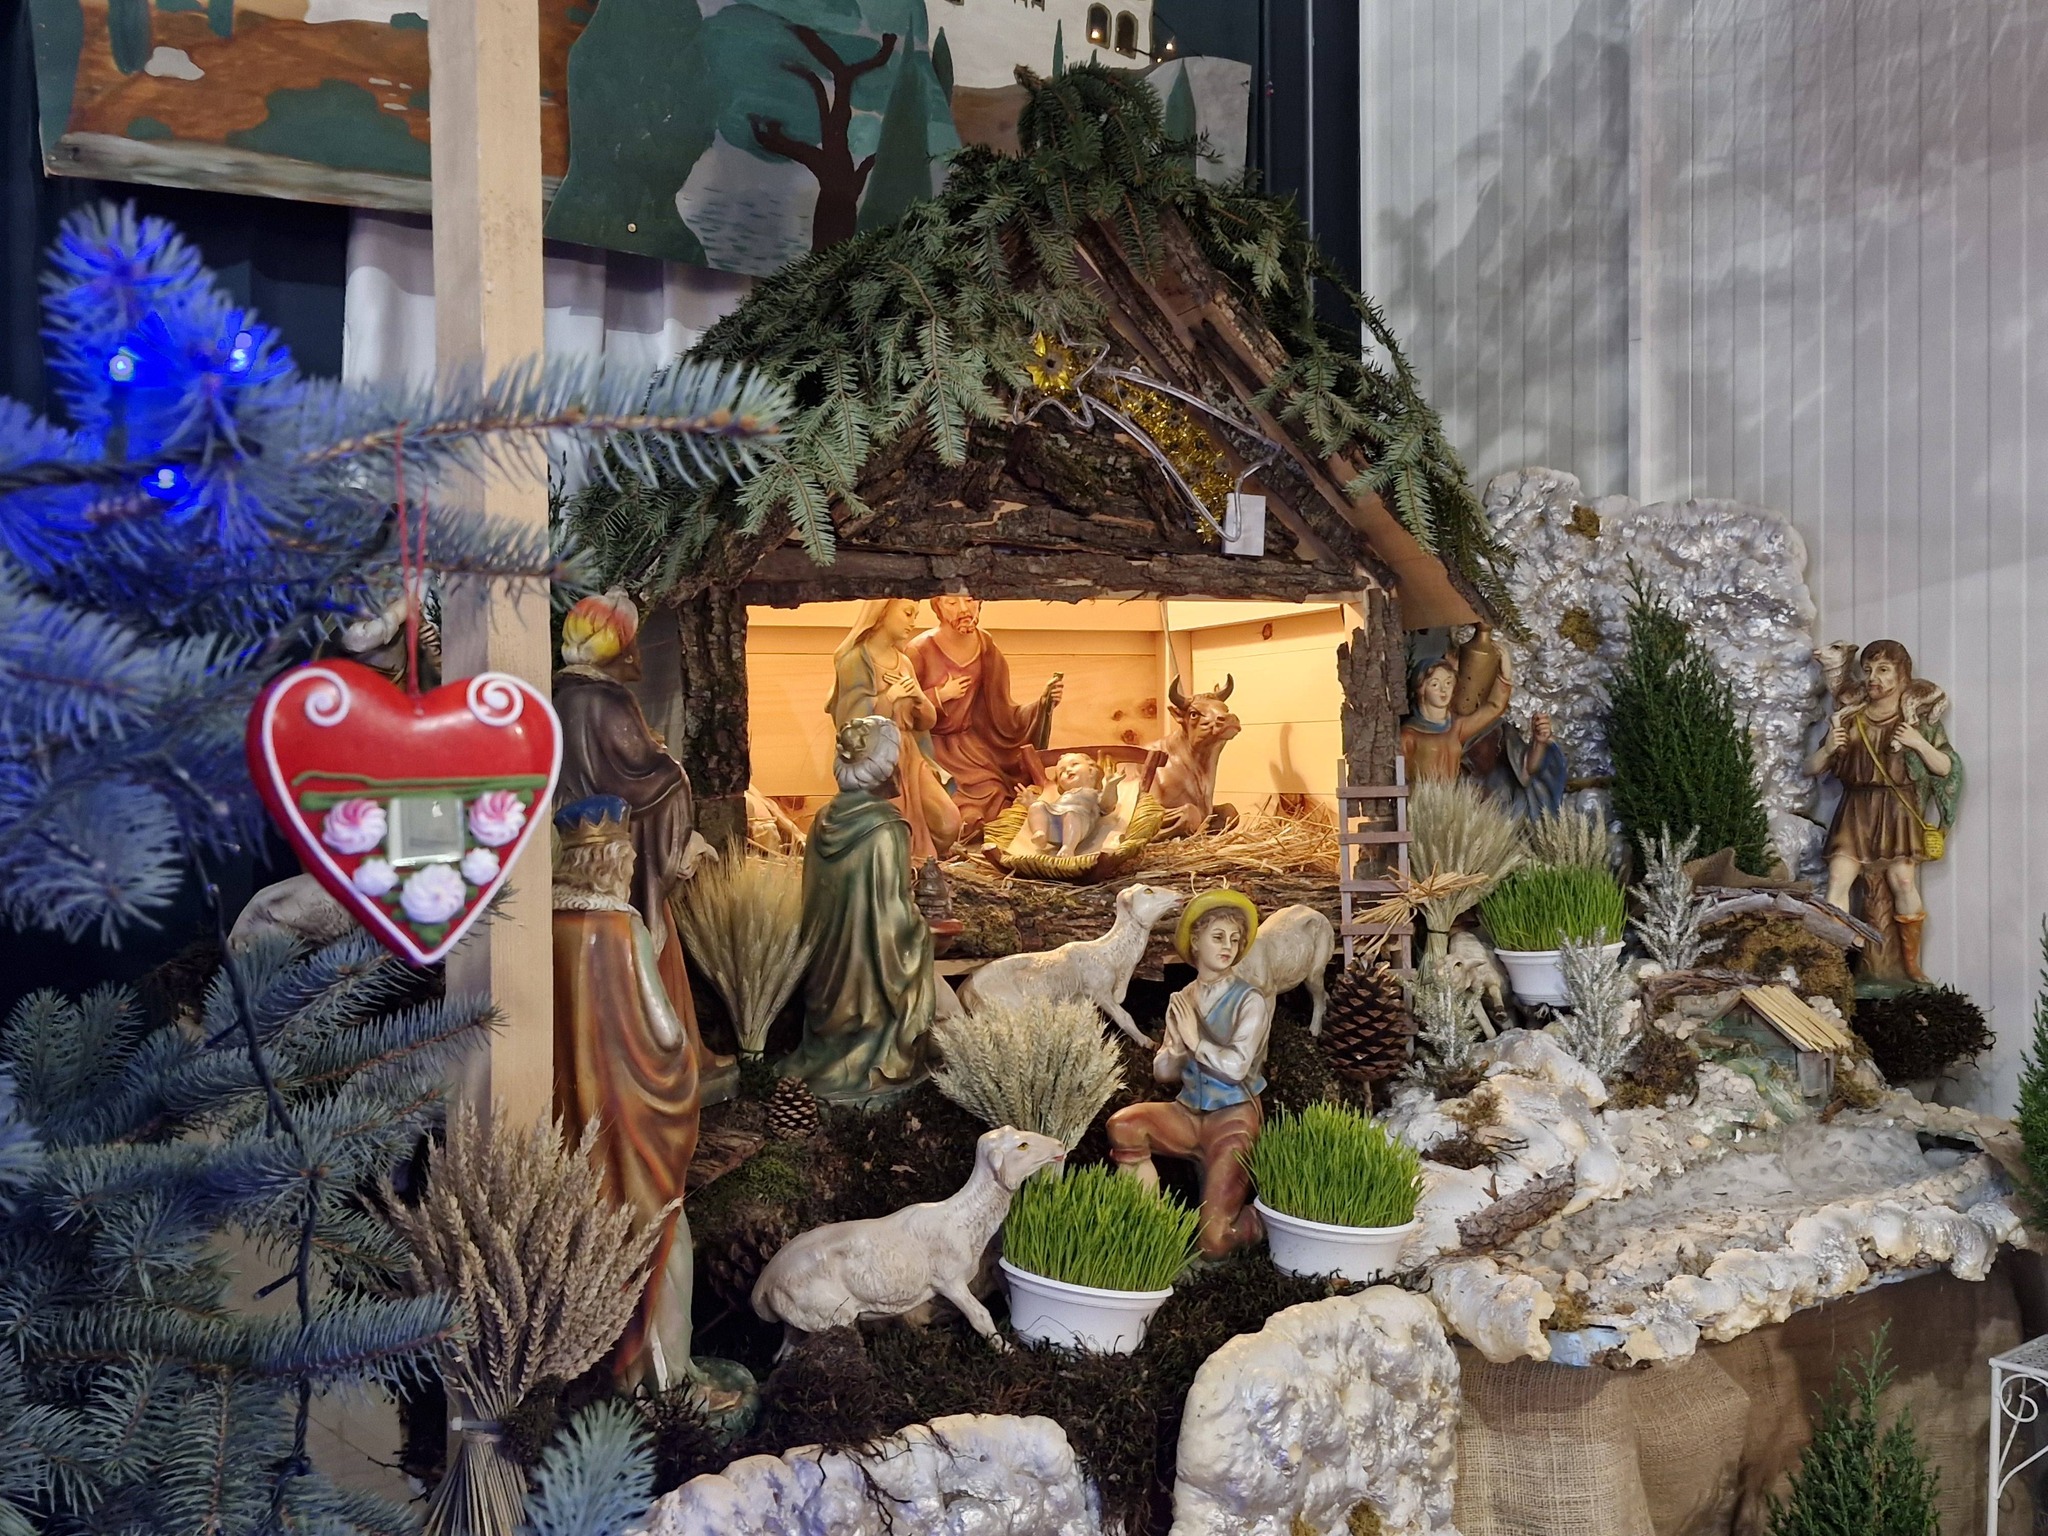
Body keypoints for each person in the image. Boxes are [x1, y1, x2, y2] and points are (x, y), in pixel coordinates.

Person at [553, 589, 733, 1098]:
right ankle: (669, 1060)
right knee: (649, 956)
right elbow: (650, 780)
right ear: (622, 649)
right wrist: (670, 767)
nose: (638, 653)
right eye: (632, 642)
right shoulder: (606, 700)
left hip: (576, 860)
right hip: (621, 855)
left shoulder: (563, 698)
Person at [550, 796, 700, 1392]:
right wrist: (683, 1064)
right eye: (629, 856)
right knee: (665, 1234)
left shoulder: (546, 927)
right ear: (612, 862)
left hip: (567, 1116)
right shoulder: (623, 927)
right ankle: (666, 1379)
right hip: (631, 1116)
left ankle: (598, 1369)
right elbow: (665, 1031)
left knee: (586, 1236)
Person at [1106, 888, 1270, 1257]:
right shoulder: (1181, 1000)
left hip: (1232, 1119)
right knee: (1125, 1124)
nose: (1228, 946)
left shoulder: (1249, 1000)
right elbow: (1164, 1072)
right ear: (1195, 941)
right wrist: (1177, 1049)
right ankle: (1150, 1228)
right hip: (1188, 1114)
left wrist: (1195, 1041)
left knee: (1215, 1243)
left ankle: (1264, 1219)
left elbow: (1236, 1068)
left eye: (1235, 939)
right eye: (1218, 937)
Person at [785, 716, 937, 1104]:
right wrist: (921, 931)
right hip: (867, 987)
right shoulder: (886, 828)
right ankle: (871, 1058)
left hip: (825, 983)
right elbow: (892, 920)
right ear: (885, 766)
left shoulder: (822, 820)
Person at [1805, 639, 1960, 982]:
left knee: (1903, 881)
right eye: (1868, 670)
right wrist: (1828, 749)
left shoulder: (1916, 720)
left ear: (1901, 674)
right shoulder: (1850, 717)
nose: (1873, 677)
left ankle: (1911, 963)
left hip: (1896, 809)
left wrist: (1918, 743)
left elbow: (1945, 767)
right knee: (1838, 880)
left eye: (1883, 669)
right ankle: (1835, 965)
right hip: (1856, 808)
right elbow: (1810, 768)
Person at [907, 593, 1060, 838]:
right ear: (938, 607)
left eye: (970, 600)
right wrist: (939, 696)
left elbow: (1003, 712)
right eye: (952, 603)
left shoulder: (985, 645)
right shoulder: (920, 650)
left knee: (999, 800)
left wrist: (1043, 703)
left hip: (972, 750)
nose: (963, 609)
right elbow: (903, 706)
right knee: (954, 815)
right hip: (931, 750)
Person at [828, 599, 961, 862]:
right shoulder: (855, 661)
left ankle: (923, 860)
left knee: (949, 823)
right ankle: (897, 869)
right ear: (882, 613)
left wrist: (919, 699)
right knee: (892, 832)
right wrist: (889, 698)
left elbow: (926, 722)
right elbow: (850, 724)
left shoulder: (904, 662)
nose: (913, 622)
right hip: (877, 763)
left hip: (910, 754)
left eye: (916, 615)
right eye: (908, 613)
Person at [1400, 647, 1564, 815]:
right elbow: (1400, 778)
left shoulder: (1460, 728)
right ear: (1421, 689)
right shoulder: (1409, 734)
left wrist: (1505, 674)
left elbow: (1495, 707)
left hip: (1457, 809)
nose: (1444, 690)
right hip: (1424, 808)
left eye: (1449, 683)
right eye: (1435, 684)